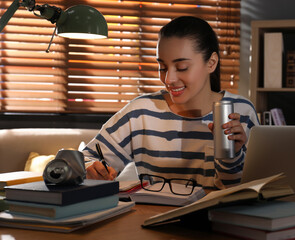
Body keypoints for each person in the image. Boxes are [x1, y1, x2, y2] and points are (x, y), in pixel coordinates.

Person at [83, 16, 259, 189]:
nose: (169, 79)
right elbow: (85, 157)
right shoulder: (141, 112)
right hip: (154, 216)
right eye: (162, 67)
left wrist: (232, 156)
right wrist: (89, 168)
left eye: (182, 67)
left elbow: (249, 189)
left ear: (211, 63)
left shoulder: (241, 112)